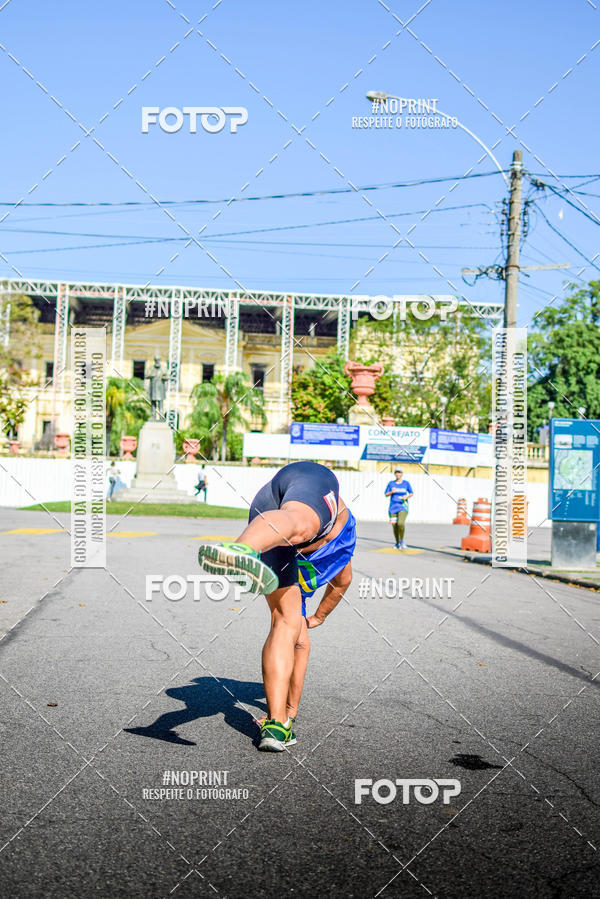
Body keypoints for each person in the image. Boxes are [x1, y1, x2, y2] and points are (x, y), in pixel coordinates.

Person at [196, 461, 356, 752]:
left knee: (289, 627)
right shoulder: (341, 551)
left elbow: (301, 647)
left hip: (265, 516)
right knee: (300, 527)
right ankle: (240, 550)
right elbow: (343, 582)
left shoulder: (298, 589)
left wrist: (290, 713)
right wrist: (319, 617)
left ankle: (278, 724)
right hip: (310, 481)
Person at [385, 467, 413, 550]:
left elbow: (411, 493)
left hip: (403, 506)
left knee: (400, 523)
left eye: (399, 472)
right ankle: (397, 542)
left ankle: (402, 541)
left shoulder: (406, 483)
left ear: (402, 474)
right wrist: (391, 492)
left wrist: (406, 496)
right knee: (395, 526)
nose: (398, 474)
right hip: (393, 508)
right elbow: (386, 494)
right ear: (395, 474)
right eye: (396, 472)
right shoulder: (391, 483)